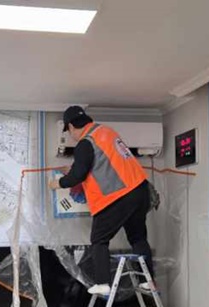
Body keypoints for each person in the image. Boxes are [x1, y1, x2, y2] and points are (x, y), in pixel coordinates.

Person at [49, 106, 153, 295]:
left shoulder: (85, 143)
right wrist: (73, 169)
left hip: (118, 195)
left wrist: (57, 184)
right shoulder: (106, 132)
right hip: (140, 190)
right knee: (137, 237)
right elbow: (103, 163)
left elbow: (78, 176)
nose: (71, 135)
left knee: (99, 240)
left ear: (71, 126)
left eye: (69, 131)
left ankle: (103, 283)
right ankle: (148, 281)